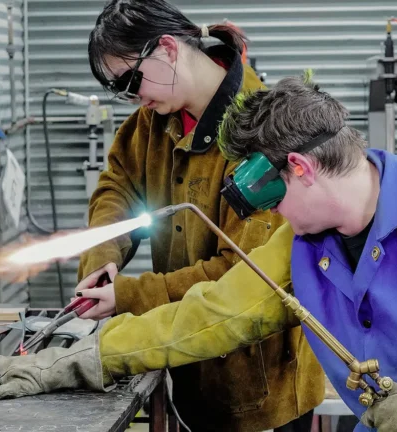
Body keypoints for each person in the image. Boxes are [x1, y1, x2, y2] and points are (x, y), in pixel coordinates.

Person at [0, 73, 397, 431]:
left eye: (264, 194)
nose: (265, 214)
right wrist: (86, 358)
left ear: (300, 167)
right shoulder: (301, 247)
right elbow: (209, 315)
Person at [63, 1, 323, 431]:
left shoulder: (262, 131)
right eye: (120, 89)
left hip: (258, 392)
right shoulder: (152, 121)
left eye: (131, 79)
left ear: (167, 48)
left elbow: (243, 272)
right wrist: (103, 259)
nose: (134, 97)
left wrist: (130, 296)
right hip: (187, 369)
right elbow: (118, 187)